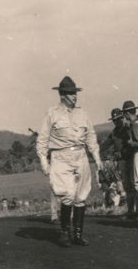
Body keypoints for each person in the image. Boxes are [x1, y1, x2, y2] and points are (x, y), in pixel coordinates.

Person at [36, 76, 102, 247]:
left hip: (80, 156)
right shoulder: (52, 114)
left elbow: (91, 137)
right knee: (68, 195)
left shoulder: (83, 113)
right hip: (61, 157)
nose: (74, 96)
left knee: (81, 197)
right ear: (62, 95)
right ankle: (65, 232)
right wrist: (44, 162)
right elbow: (42, 140)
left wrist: (97, 158)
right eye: (71, 93)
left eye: (75, 93)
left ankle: (78, 235)